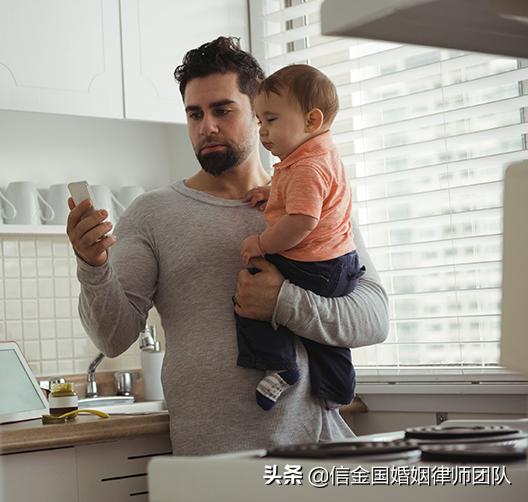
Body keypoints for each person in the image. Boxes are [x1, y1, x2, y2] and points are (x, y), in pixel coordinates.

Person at [66, 36, 388, 457]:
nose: (207, 127)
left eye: (222, 110)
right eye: (194, 114)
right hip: (213, 464)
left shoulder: (313, 197)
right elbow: (113, 337)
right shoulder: (152, 214)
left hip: (321, 456)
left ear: (260, 116)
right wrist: (93, 266)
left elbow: (374, 319)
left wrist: (283, 302)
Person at [235, 64, 365, 412]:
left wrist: (261, 244)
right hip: (340, 262)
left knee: (250, 289)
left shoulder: (307, 166)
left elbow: (302, 221)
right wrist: (271, 191)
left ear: (311, 120)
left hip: (315, 263)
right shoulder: (315, 155)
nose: (262, 131)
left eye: (271, 120)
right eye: (259, 121)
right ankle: (338, 388)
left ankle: (279, 365)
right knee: (324, 339)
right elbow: (301, 195)